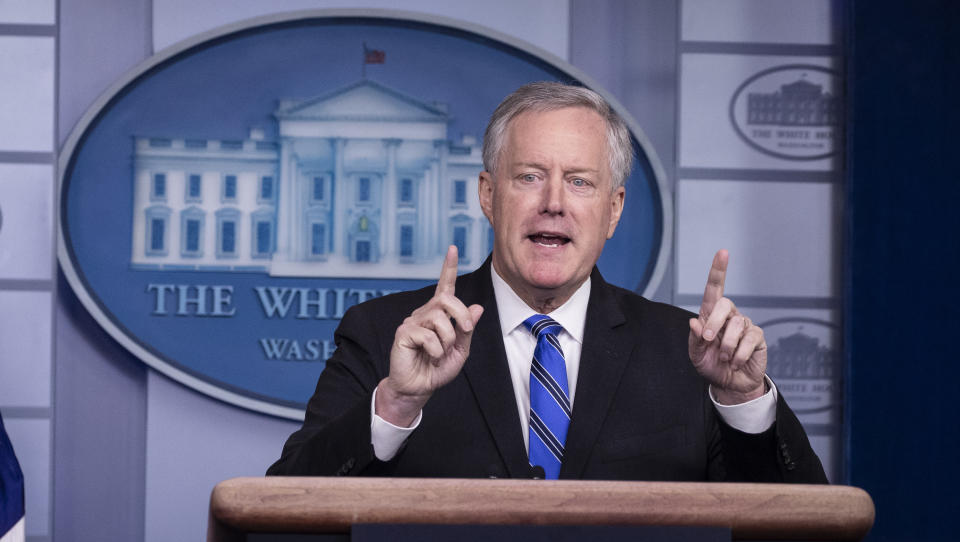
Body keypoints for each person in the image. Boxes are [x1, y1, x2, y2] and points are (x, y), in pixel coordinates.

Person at [267, 82, 825, 483]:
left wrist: (743, 401)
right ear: (488, 195)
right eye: (530, 177)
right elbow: (289, 502)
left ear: (613, 210)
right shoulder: (386, 334)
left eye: (579, 182)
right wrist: (394, 404)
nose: (553, 203)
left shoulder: (690, 352)